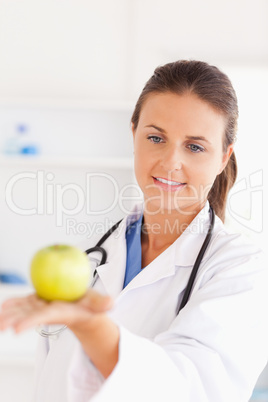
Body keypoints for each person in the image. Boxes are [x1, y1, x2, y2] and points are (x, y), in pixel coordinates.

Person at [0, 60, 267, 402]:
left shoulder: (241, 270)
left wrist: (91, 327)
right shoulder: (87, 256)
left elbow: (195, 389)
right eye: (156, 137)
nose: (170, 161)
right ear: (134, 134)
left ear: (223, 158)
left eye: (195, 146)